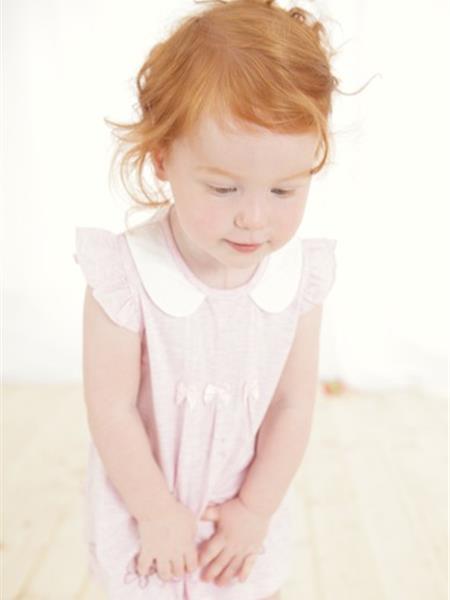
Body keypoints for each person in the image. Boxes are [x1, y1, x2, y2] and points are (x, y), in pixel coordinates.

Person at [73, 1, 340, 598]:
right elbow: (111, 408)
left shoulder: (297, 276)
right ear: (163, 158)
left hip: (240, 514)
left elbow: (292, 405)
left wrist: (255, 509)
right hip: (144, 504)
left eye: (284, 190)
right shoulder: (125, 274)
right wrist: (154, 511)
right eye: (223, 188)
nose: (254, 218)